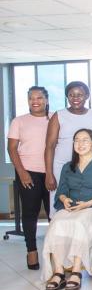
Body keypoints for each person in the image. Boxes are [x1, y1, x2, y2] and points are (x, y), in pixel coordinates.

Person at [42, 129, 92, 290]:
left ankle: (75, 271)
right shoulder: (68, 167)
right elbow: (61, 190)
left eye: (85, 140)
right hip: (71, 207)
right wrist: (64, 200)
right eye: (77, 140)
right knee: (56, 224)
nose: (80, 144)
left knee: (79, 223)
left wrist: (87, 204)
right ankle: (59, 271)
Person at [45, 81, 92, 218]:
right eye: (71, 95)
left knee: (86, 202)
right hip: (61, 165)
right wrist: (49, 173)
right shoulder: (58, 115)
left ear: (87, 96)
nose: (75, 98)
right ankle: (57, 231)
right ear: (67, 97)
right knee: (60, 204)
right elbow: (49, 146)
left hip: (89, 167)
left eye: (80, 95)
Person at [7, 86, 52, 270]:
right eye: (31, 98)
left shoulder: (54, 118)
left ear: (46, 100)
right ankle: (31, 251)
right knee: (30, 214)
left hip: (51, 172)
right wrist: (22, 172)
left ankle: (55, 251)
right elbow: (12, 149)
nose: (36, 101)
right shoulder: (19, 121)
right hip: (28, 173)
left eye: (39, 97)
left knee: (54, 214)